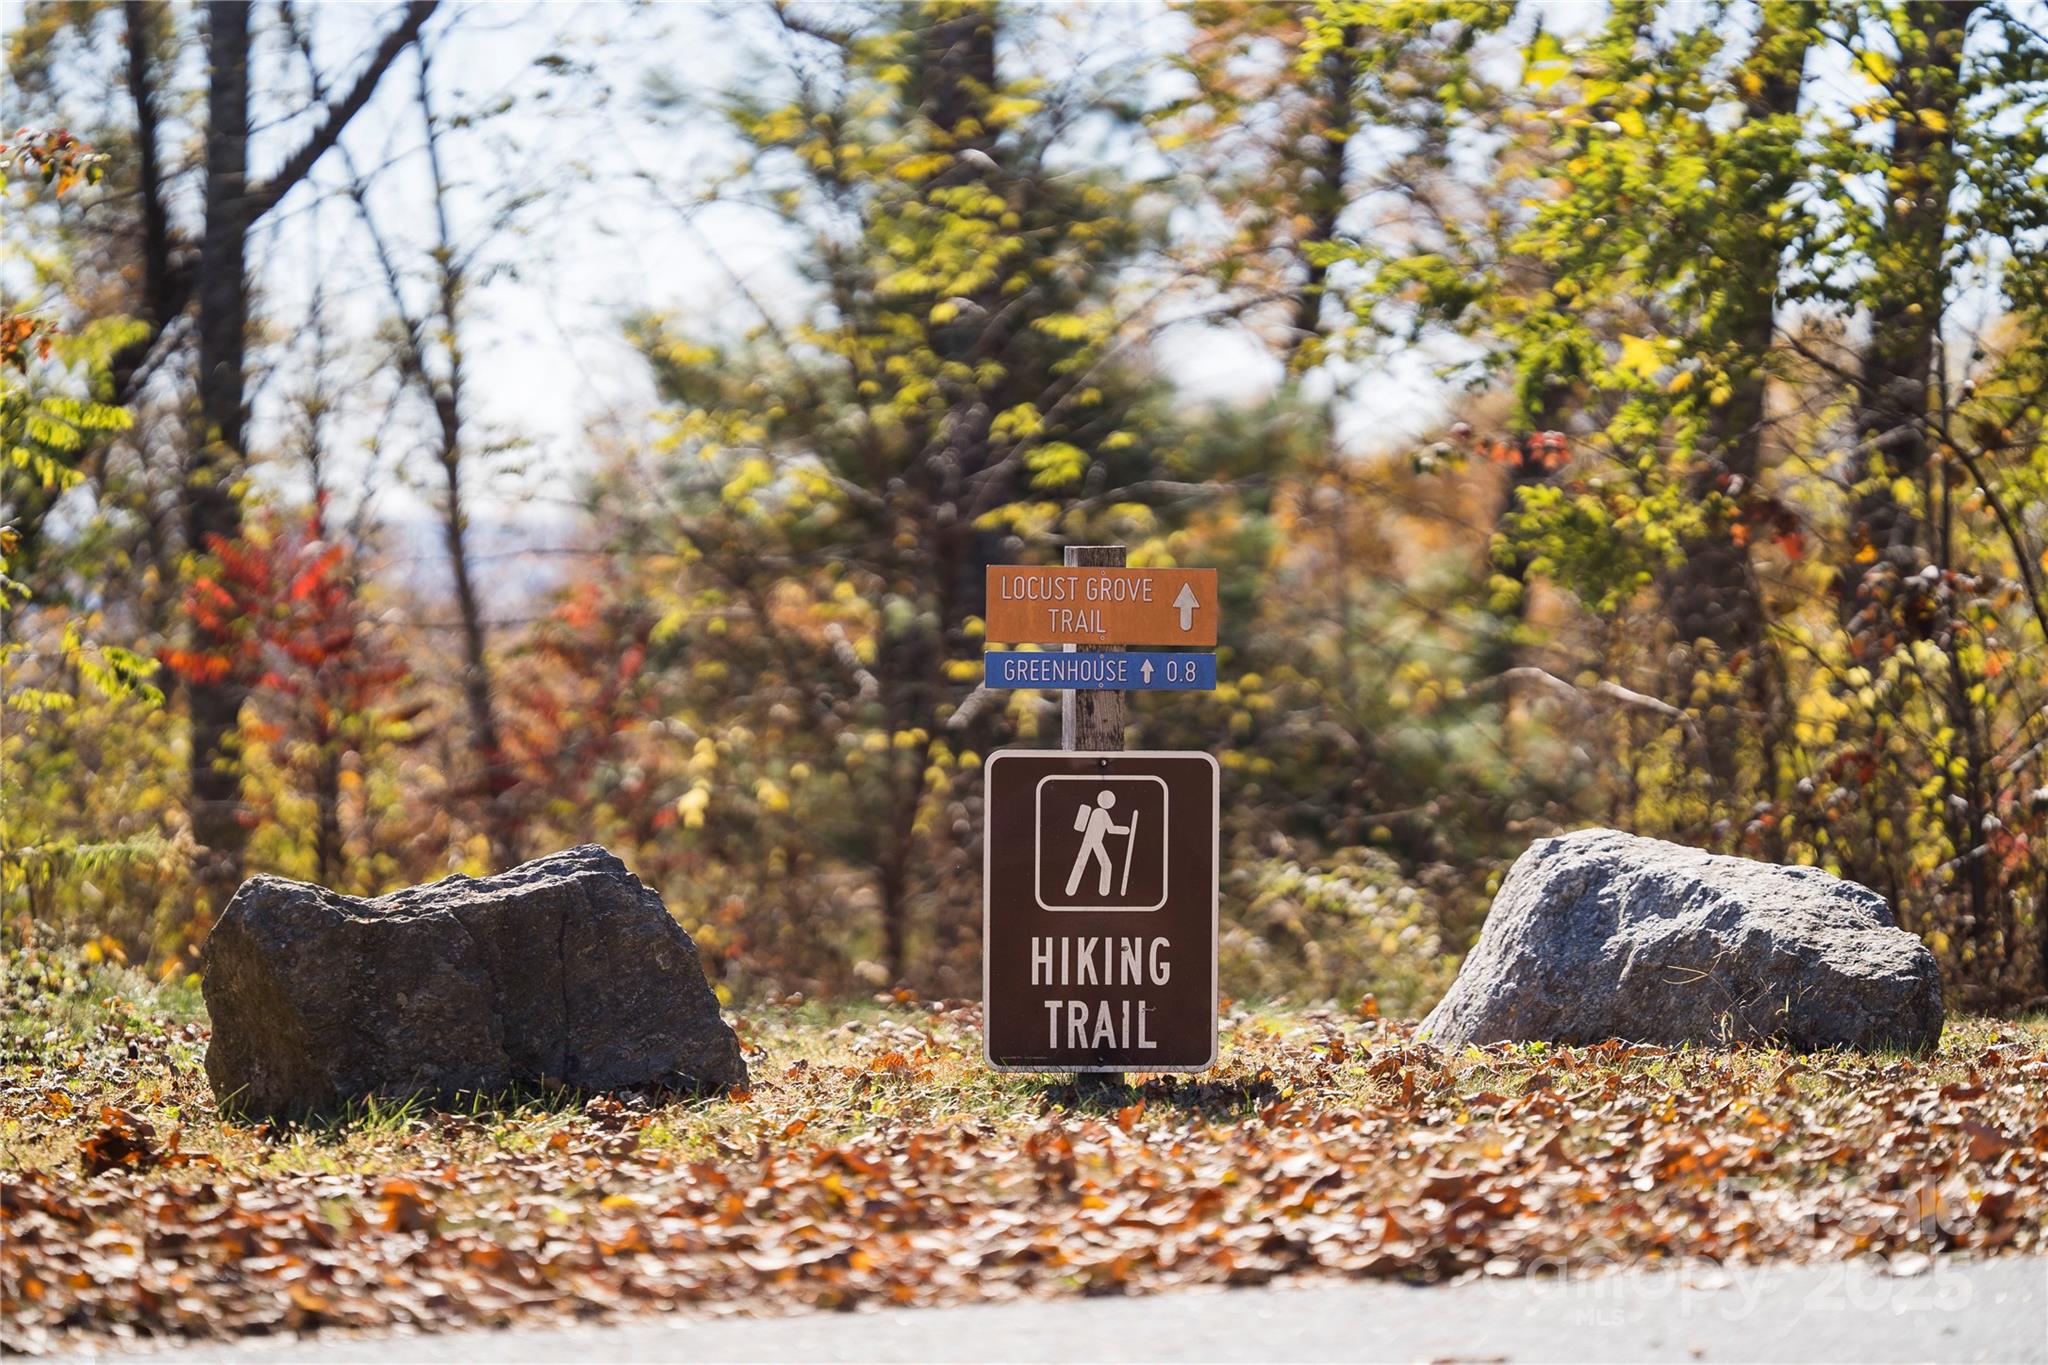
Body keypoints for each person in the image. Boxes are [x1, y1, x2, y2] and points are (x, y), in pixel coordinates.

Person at [1065, 790, 1130, 898]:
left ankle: (1100, 892)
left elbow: (1109, 829)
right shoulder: (1101, 813)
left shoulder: (1099, 812)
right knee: (1104, 865)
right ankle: (1101, 892)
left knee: (1086, 863)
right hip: (1092, 841)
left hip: (1093, 842)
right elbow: (1111, 829)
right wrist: (1126, 830)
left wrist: (1126, 830)